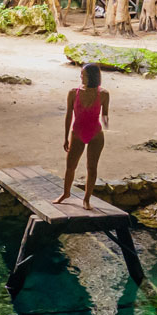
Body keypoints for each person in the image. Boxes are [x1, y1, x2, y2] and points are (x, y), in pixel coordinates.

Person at [57, 62, 110, 210]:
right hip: (77, 133)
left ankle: (86, 199)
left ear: (92, 77)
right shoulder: (73, 93)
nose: (80, 76)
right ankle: (66, 193)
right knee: (70, 166)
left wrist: (106, 122)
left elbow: (105, 114)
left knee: (91, 168)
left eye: (83, 74)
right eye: (81, 74)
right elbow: (68, 115)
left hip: (96, 135)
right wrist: (66, 137)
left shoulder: (104, 94)